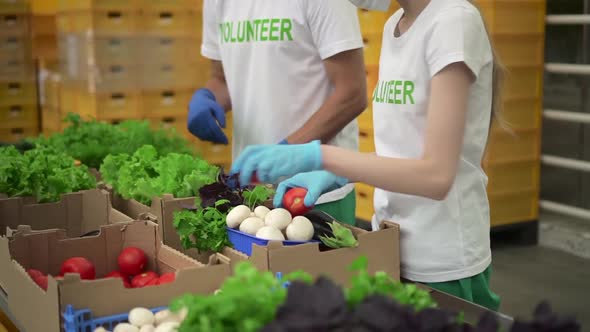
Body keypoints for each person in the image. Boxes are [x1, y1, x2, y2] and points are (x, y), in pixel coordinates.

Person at [230, 0, 503, 311]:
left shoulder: (453, 23)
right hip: (389, 245)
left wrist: (324, 157)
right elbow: (403, 150)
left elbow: (436, 177)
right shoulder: (394, 26)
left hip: (443, 263)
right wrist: (340, 173)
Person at [187, 0, 368, 226]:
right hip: (250, 193)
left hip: (316, 193)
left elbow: (352, 93)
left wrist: (288, 150)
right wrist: (207, 100)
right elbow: (222, 78)